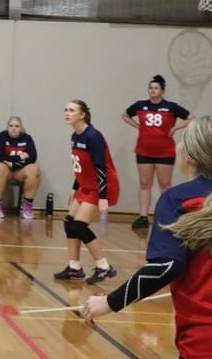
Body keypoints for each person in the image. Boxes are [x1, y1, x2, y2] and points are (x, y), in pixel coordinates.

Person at [83, 117, 212, 359]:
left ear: (190, 156)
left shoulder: (177, 200)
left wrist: (111, 302)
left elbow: (165, 266)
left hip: (203, 339)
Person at [54, 100, 120, 285]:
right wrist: (75, 188)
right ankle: (74, 268)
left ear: (82, 115)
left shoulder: (93, 136)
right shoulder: (75, 136)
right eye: (65, 109)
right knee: (69, 223)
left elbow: (100, 168)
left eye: (71, 110)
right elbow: (83, 166)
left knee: (80, 227)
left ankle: (104, 267)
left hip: (101, 186)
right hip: (85, 186)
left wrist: (103, 197)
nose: (67, 113)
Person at [122, 74, 193, 230]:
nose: (152, 90)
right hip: (144, 149)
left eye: (156, 88)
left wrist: (176, 128)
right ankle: (143, 217)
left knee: (165, 184)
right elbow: (125, 115)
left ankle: (167, 216)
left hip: (164, 151)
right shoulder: (140, 105)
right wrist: (136, 126)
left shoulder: (171, 107)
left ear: (162, 91)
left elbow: (191, 118)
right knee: (144, 183)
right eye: (150, 88)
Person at [0, 116, 41, 219]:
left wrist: (14, 164)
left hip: (19, 171)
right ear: (7, 127)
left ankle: (27, 205)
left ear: (21, 128)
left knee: (34, 169)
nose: (13, 128)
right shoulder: (0, 137)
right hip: (3, 169)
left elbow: (32, 157)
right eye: (11, 126)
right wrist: (19, 157)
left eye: (17, 126)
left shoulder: (27, 138)